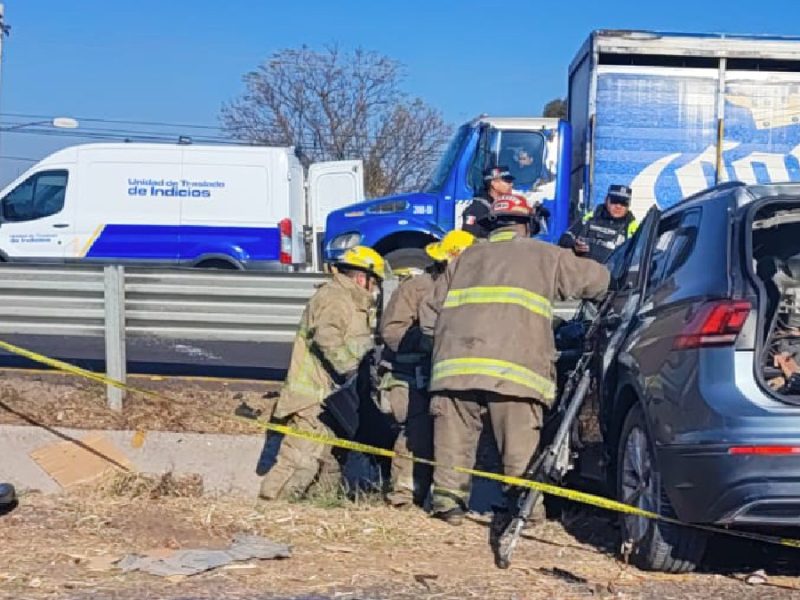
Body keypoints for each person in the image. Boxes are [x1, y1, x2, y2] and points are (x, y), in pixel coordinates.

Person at [420, 195, 610, 525]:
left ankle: (448, 507)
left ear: (492, 226)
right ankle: (524, 511)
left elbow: (427, 315)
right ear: (527, 225)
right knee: (519, 444)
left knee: (453, 439)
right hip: (515, 370)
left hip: (453, 367)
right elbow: (599, 281)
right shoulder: (545, 254)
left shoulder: (464, 258)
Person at [259, 246, 385, 501]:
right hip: (312, 399)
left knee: (328, 467)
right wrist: (351, 370)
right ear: (362, 278)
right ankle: (269, 512)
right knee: (299, 463)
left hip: (332, 402)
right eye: (375, 283)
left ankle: (311, 513)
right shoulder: (335, 298)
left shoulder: (354, 304)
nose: (375, 290)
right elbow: (327, 337)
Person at [379, 230, 475, 508]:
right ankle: (404, 496)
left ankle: (445, 497)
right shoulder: (417, 287)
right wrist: (426, 340)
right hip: (410, 377)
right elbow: (391, 331)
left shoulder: (473, 289)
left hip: (450, 378)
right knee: (416, 435)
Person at [559, 184, 638, 263]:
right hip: (581, 269)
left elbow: (636, 258)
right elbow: (564, 239)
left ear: (629, 205)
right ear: (606, 200)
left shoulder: (632, 227)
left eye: (623, 203)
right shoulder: (590, 217)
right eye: (614, 201)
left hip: (609, 273)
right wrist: (574, 246)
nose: (618, 206)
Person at [460, 166, 515, 238]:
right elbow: (470, 235)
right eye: (507, 181)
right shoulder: (477, 208)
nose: (511, 184)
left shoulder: (506, 204)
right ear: (494, 184)